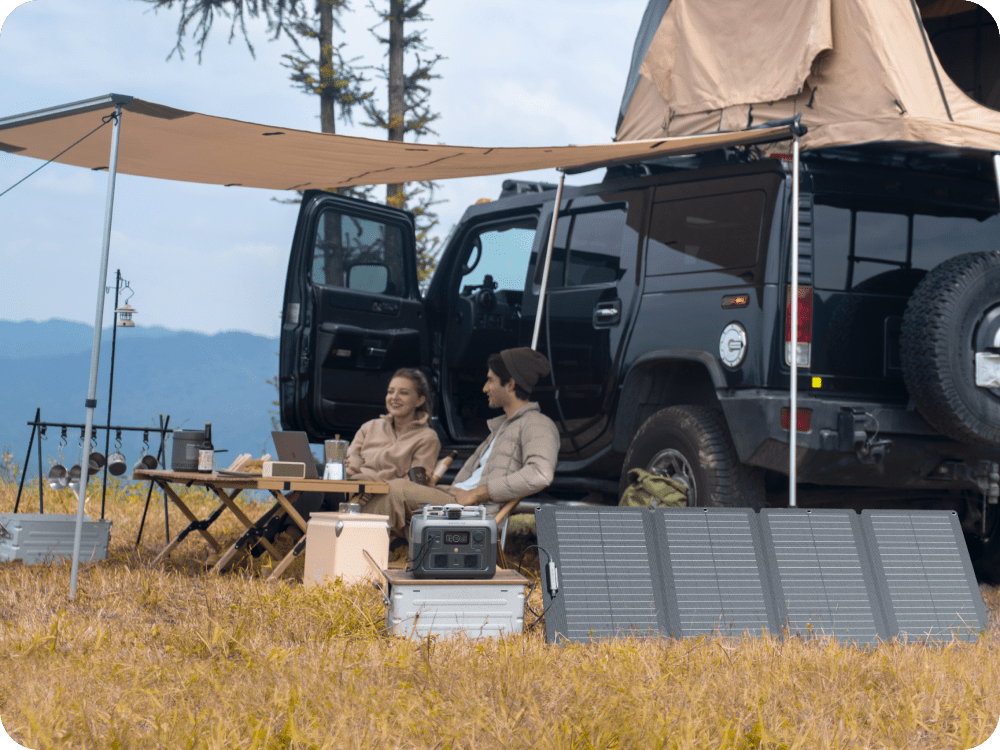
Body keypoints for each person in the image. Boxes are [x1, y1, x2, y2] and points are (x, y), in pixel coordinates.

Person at [360, 347, 560, 537]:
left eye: (490, 381)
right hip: (456, 499)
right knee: (382, 489)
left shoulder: (537, 424)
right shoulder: (502, 428)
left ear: (510, 384)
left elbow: (540, 474)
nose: (484, 388)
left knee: (397, 490)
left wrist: (478, 493)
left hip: (474, 511)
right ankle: (354, 547)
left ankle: (356, 551)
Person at [345, 368, 440, 482]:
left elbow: (416, 482)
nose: (394, 397)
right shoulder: (369, 427)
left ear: (419, 401)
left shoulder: (427, 438)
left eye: (403, 393)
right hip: (353, 486)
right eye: (390, 392)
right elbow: (348, 467)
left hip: (388, 494)